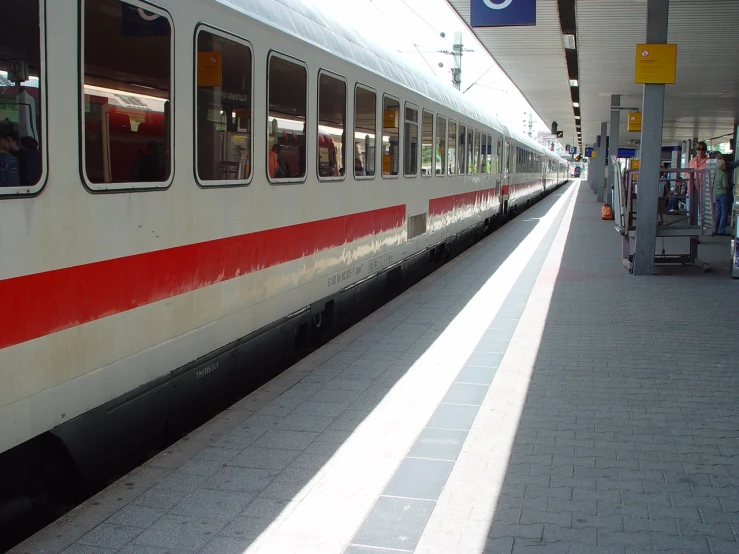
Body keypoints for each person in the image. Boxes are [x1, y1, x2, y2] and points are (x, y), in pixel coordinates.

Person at [713, 154, 739, 236]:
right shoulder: (723, 173)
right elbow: (725, 185)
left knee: (718, 212)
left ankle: (715, 229)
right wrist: (731, 185)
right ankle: (721, 230)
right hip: (723, 194)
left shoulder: (715, 171)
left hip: (716, 193)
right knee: (724, 212)